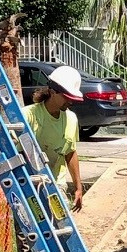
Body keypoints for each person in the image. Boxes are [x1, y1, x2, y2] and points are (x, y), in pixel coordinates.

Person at [26, 64, 85, 212]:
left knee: (61, 220)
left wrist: (78, 187)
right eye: (66, 97)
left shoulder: (71, 119)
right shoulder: (29, 115)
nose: (70, 102)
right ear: (52, 91)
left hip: (56, 182)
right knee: (29, 224)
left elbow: (70, 153)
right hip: (29, 182)